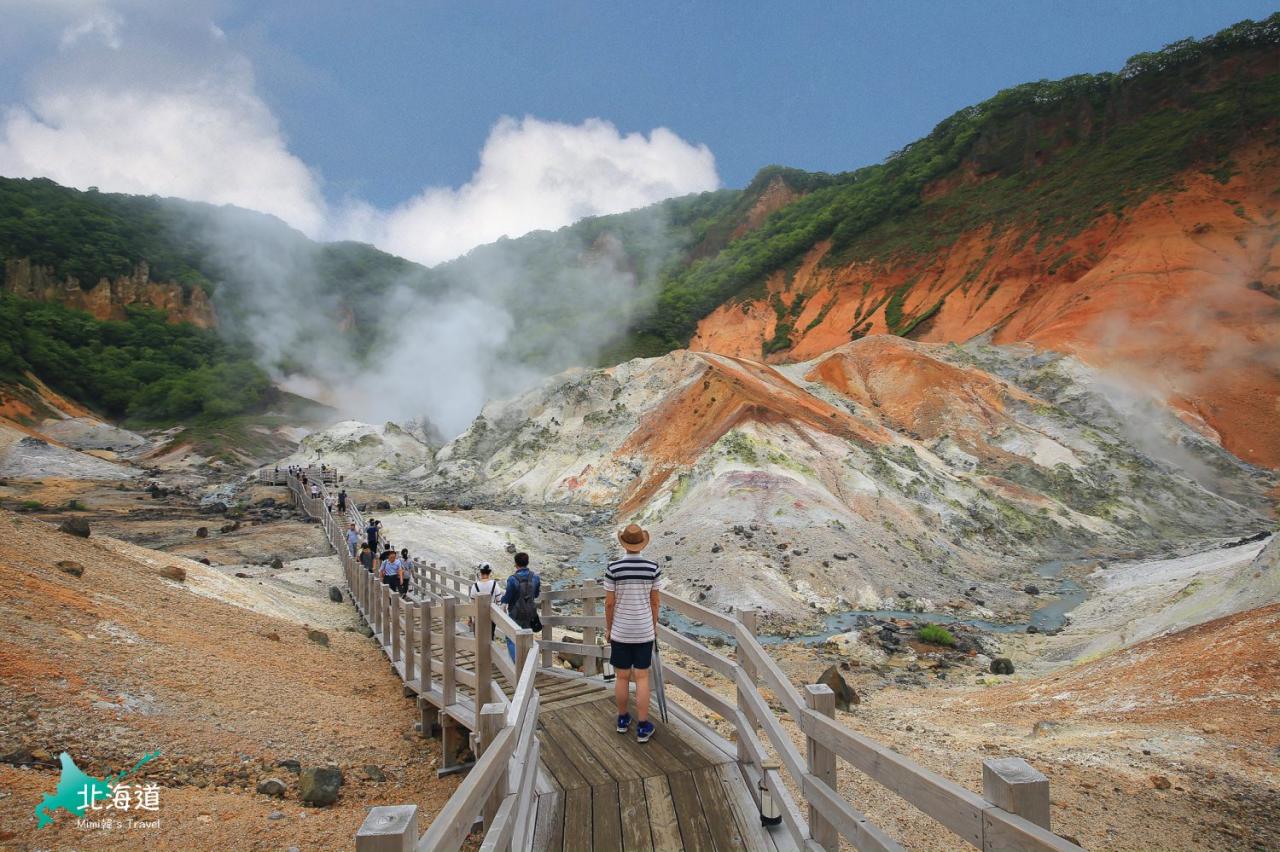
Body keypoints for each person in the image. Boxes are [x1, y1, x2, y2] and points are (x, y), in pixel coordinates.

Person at [604, 523, 664, 743]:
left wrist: (609, 628)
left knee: (621, 676)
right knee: (641, 678)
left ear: (624, 544)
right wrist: (653, 625)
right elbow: (655, 601)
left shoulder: (613, 568)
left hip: (621, 630)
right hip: (644, 631)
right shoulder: (652, 568)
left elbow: (609, 603)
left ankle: (622, 720)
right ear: (641, 544)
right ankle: (642, 726)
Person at [500, 552, 541, 661]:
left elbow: (508, 597)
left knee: (511, 637)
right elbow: (536, 594)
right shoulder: (535, 577)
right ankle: (528, 663)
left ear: (516, 564)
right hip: (530, 612)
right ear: (527, 563)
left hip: (515, 613)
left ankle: (518, 664)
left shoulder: (512, 579)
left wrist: (502, 602)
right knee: (527, 638)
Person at [469, 563, 500, 639]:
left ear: (480, 572)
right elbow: (499, 601)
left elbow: (472, 603)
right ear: (490, 572)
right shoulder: (495, 584)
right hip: (491, 615)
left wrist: (472, 618)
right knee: (490, 637)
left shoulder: (475, 586)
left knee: (479, 637)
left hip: (479, 615)